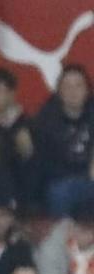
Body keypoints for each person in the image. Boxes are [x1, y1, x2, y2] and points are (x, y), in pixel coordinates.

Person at [33, 65, 94, 219]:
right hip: (62, 180)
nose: (73, 91)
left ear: (87, 90)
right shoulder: (46, 119)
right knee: (60, 191)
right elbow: (44, 164)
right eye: (67, 86)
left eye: (78, 85)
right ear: (59, 91)